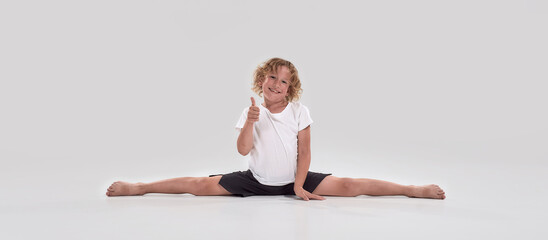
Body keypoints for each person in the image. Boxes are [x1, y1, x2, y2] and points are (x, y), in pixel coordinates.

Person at [106, 58, 446, 201]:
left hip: (294, 181)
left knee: (350, 184)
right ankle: (141, 187)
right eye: (272, 77)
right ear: (261, 80)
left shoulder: (299, 111)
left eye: (284, 81)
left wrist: (299, 186)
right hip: (255, 180)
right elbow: (242, 150)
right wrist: (251, 122)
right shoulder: (251, 111)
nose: (277, 84)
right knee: (198, 185)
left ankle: (410, 189)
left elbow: (306, 152)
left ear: (291, 89)